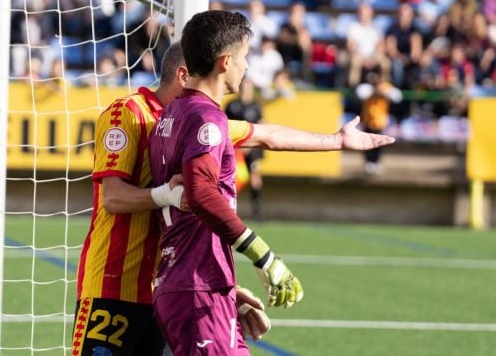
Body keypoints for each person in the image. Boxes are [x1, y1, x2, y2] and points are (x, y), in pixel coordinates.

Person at [73, 40, 395, 355]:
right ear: (186, 74)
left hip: (163, 287)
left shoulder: (196, 120)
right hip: (112, 285)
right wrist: (165, 195)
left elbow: (268, 136)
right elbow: (112, 198)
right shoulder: (127, 113)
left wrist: (337, 139)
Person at [225, 78, 264, 220]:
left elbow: (261, 126)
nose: (245, 91)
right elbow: (225, 126)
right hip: (235, 149)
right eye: (243, 88)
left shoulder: (256, 106)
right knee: (234, 178)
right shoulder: (232, 105)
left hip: (253, 148)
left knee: (255, 174)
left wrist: (251, 145)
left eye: (248, 88)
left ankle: (257, 209)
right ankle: (229, 207)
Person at [356, 73, 403, 175]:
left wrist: (385, 91)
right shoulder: (367, 89)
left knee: (378, 144)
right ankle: (368, 162)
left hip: (380, 122)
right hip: (367, 121)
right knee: (366, 143)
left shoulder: (386, 89)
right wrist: (374, 91)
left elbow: (397, 97)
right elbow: (361, 93)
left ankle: (375, 162)